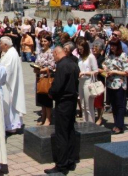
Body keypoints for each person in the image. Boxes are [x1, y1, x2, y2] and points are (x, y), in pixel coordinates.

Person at [46, 46, 80, 175]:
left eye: (53, 55)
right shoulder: (73, 63)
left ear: (56, 53)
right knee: (70, 130)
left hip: (63, 102)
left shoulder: (62, 65)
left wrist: (51, 92)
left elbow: (58, 85)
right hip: (72, 101)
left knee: (61, 133)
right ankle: (71, 160)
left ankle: (61, 165)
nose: (53, 58)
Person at [103, 39, 128, 134]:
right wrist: (105, 68)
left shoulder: (123, 56)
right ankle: (116, 124)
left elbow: (127, 72)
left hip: (119, 84)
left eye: (114, 45)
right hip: (110, 84)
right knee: (114, 105)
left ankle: (120, 125)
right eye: (111, 45)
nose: (112, 47)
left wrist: (114, 71)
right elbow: (105, 64)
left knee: (120, 105)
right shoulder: (109, 56)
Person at [0, 36, 26, 132]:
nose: (0, 45)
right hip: (9, 84)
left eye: (1, 43)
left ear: (6, 45)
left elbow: (7, 71)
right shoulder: (10, 53)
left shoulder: (11, 55)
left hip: (9, 85)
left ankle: (11, 126)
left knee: (10, 105)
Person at [35, 33, 55, 126]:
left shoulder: (51, 52)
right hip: (39, 77)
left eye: (45, 41)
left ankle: (48, 118)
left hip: (47, 78)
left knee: (47, 99)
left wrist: (42, 70)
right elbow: (37, 62)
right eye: (42, 41)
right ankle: (43, 117)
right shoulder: (40, 52)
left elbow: (52, 66)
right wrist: (35, 68)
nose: (43, 43)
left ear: (49, 42)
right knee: (41, 98)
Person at [77, 39, 98, 123]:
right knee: (82, 105)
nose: (80, 51)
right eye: (79, 49)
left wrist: (85, 73)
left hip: (88, 81)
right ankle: (85, 121)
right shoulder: (80, 57)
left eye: (81, 49)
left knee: (88, 105)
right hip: (81, 81)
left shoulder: (91, 57)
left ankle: (91, 123)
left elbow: (96, 71)